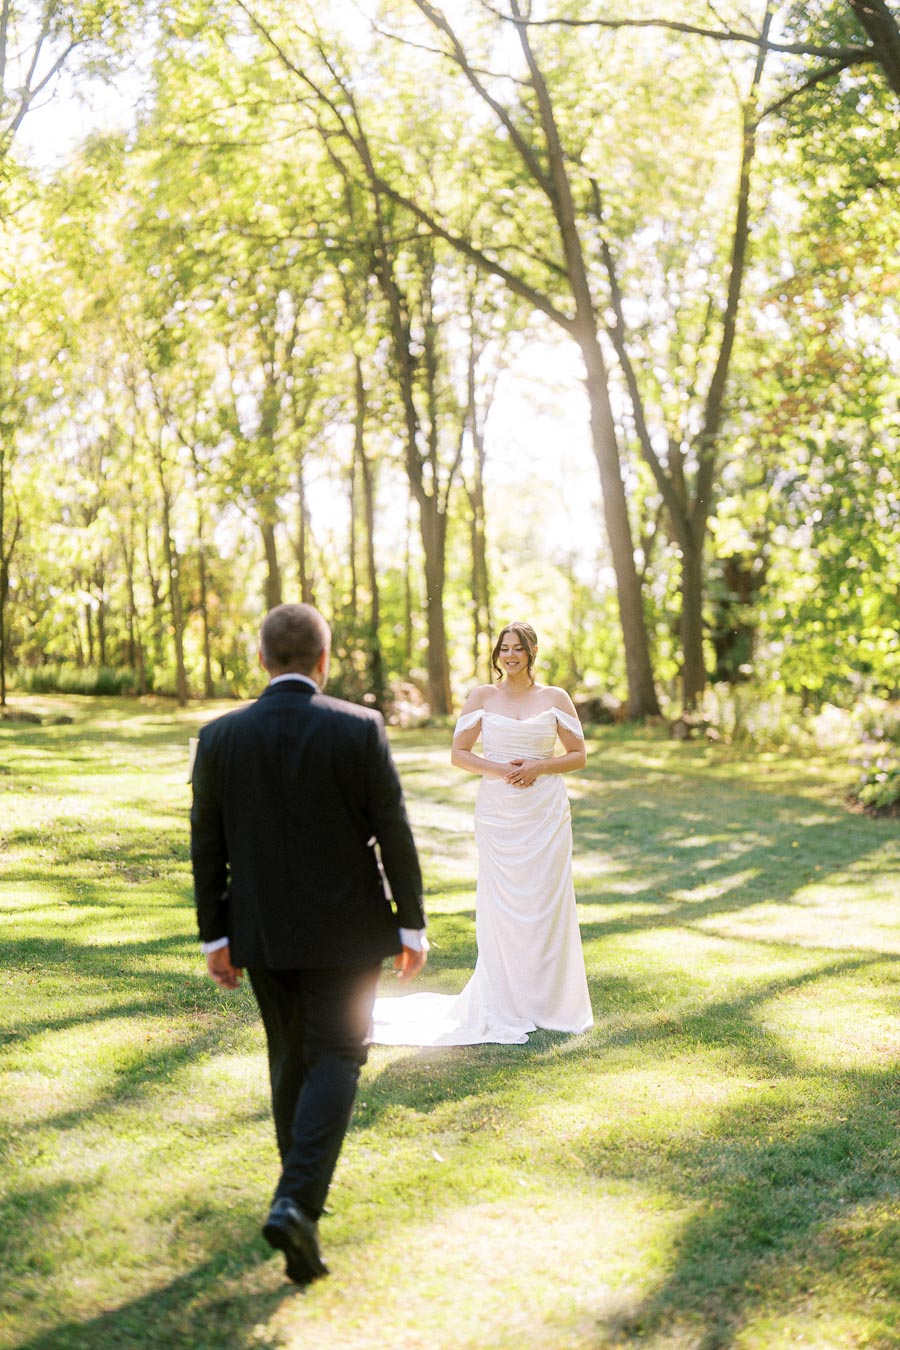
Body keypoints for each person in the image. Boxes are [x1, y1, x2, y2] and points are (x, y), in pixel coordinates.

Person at [190, 603, 427, 1285]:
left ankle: (300, 1219)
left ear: (261, 660)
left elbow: (208, 846)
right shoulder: (359, 728)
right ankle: (297, 1203)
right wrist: (410, 924)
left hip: (260, 932)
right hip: (349, 932)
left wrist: (216, 935)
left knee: (292, 1056)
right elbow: (394, 830)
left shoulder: (220, 737)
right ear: (325, 661)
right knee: (339, 1056)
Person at [371, 620, 593, 1046]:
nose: (510, 655)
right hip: (499, 813)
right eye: (504, 648)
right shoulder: (482, 697)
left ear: (532, 653)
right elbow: (459, 753)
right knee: (504, 904)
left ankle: (550, 1001)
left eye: (518, 649)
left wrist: (537, 767)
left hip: (545, 814)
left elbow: (578, 755)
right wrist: (502, 771)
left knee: (546, 901)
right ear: (497, 653)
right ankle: (504, 996)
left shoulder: (554, 698)